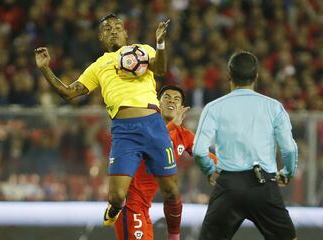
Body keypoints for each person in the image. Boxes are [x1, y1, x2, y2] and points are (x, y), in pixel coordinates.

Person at [34, 13, 183, 239]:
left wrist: (160, 43)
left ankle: (174, 235)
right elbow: (68, 92)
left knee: (172, 191)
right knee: (116, 197)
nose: (113, 30)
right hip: (124, 131)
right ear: (100, 37)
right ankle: (114, 209)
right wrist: (45, 68)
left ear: (125, 33)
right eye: (107, 28)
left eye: (118, 27)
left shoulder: (143, 50)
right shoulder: (98, 66)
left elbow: (161, 69)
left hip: (153, 124)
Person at [193, 51, 298, 240]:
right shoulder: (273, 107)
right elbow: (289, 149)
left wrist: (209, 170)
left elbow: (199, 150)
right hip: (264, 185)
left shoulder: (214, 107)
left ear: (229, 76)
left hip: (228, 186)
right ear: (256, 76)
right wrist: (287, 173)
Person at [114, 85, 217, 240]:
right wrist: (172, 125)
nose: (171, 101)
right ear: (158, 103)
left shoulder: (185, 136)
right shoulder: (144, 125)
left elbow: (207, 156)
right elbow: (149, 144)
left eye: (177, 99)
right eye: (167, 97)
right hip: (129, 203)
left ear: (181, 108)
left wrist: (230, 167)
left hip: (144, 207)